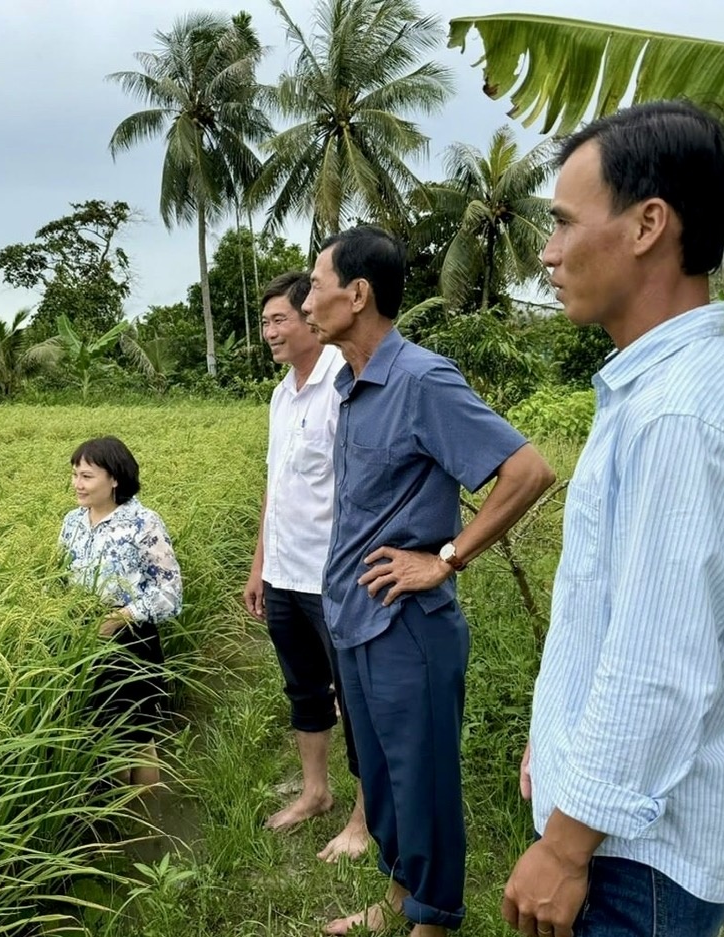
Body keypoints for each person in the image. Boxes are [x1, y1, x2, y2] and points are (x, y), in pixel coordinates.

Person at [502, 100, 724, 937]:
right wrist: (555, 744)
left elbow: (658, 664)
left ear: (647, 226)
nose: (549, 252)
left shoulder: (679, 415)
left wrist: (563, 846)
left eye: (563, 223)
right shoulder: (660, 387)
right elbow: (618, 614)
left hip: (641, 853)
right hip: (632, 830)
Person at [303, 225, 556, 937]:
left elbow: (528, 470)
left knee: (423, 781)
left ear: (358, 294)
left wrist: (445, 558)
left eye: (317, 284)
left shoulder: (422, 378)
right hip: (354, 615)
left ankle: (435, 919)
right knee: (380, 778)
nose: (308, 297)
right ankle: (399, 893)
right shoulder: (352, 384)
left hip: (406, 626)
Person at [243, 270, 370, 861]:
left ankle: (366, 819)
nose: (268, 331)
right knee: (304, 690)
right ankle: (315, 792)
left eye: (279, 320)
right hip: (284, 573)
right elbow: (276, 487)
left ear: (308, 320)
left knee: (357, 696)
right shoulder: (280, 394)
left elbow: (357, 489)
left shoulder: (343, 388)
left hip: (333, 578)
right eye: (265, 321)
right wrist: (258, 567)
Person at [59, 435, 182, 788]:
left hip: (131, 642)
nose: (77, 484)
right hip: (83, 641)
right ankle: (119, 823)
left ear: (114, 478)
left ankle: (148, 827)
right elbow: (60, 579)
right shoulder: (72, 523)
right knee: (101, 737)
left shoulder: (143, 523)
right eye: (75, 475)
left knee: (138, 739)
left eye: (86, 476)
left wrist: (120, 617)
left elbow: (170, 592)